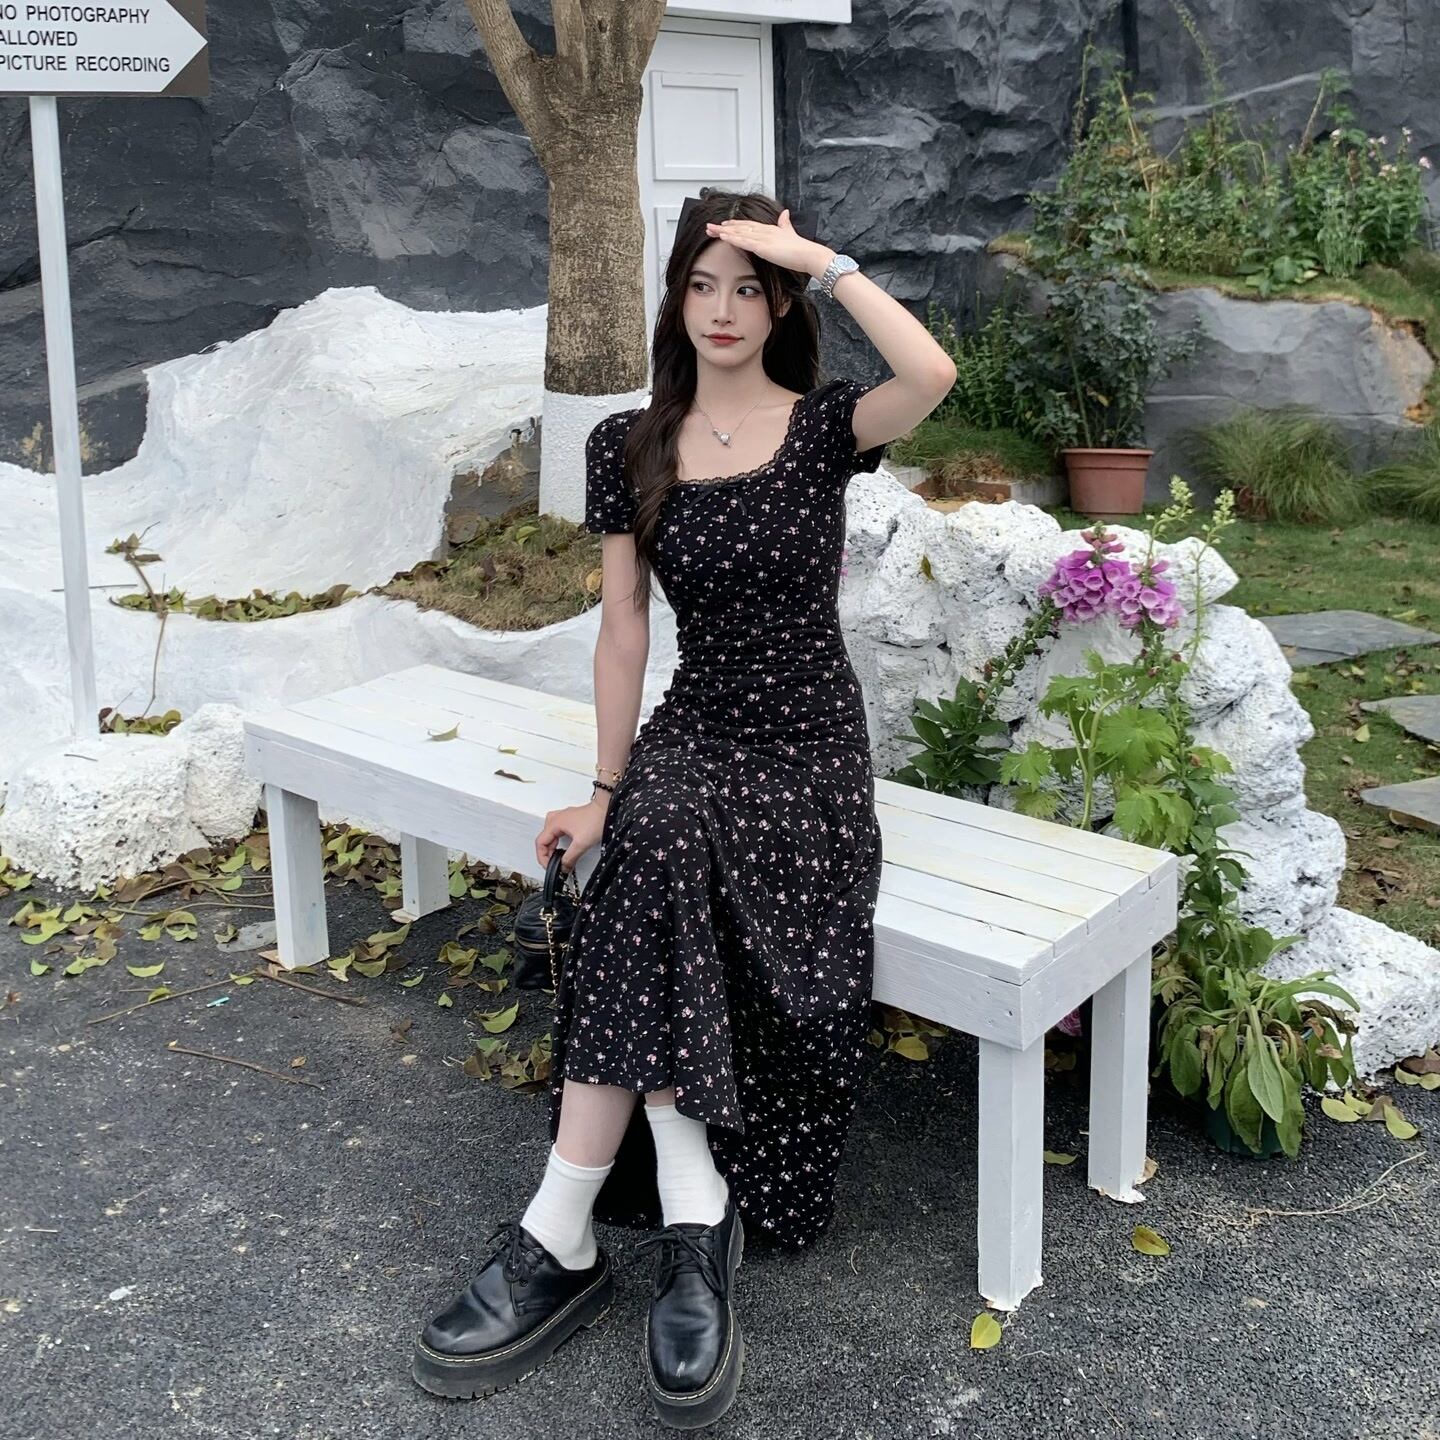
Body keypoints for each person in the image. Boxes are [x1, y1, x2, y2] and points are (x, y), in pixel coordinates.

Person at [410, 187, 956, 1427]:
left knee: (658, 854)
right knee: (649, 836)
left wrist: (821, 256)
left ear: (781, 304)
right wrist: (602, 790)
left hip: (806, 755)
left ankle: (564, 1232)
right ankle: (690, 1214)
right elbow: (622, 629)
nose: (723, 309)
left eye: (750, 288)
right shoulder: (631, 443)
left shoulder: (826, 427)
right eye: (703, 284)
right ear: (675, 298)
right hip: (693, 732)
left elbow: (933, 372)